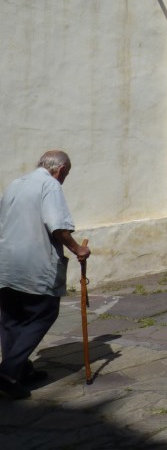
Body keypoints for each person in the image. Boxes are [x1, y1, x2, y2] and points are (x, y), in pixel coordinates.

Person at [0, 150, 89, 400]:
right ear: (60, 170)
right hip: (34, 264)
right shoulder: (50, 185)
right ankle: (7, 373)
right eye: (66, 175)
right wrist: (78, 249)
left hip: (6, 263)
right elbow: (58, 225)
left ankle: (20, 369)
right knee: (43, 312)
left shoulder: (16, 184)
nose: (64, 179)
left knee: (12, 319)